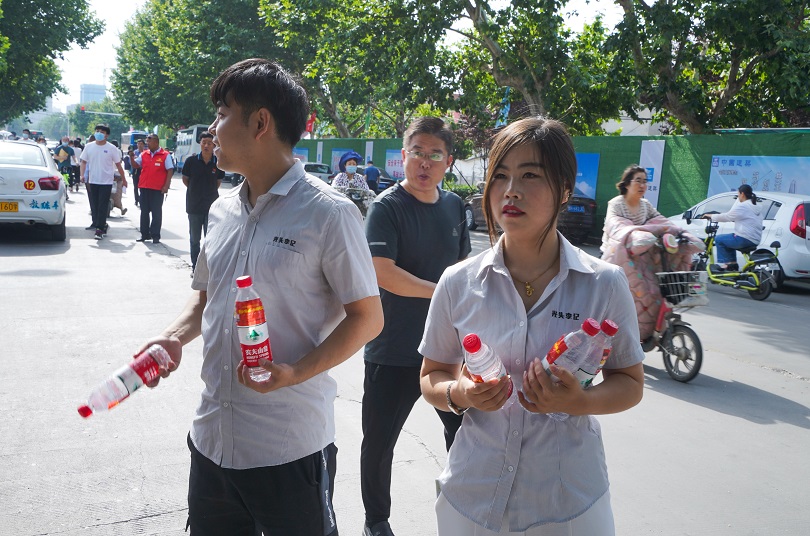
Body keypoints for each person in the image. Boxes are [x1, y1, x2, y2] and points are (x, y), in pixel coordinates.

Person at [136, 58, 383, 536]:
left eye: (221, 114)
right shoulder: (222, 210)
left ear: (260, 123)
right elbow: (204, 298)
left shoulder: (329, 214)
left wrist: (294, 372)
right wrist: (171, 338)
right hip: (212, 440)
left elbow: (368, 318)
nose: (212, 129)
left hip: (287, 447)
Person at [418, 117, 645, 536]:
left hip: (566, 504)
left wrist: (579, 401)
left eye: (530, 175)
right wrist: (461, 393)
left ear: (564, 190)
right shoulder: (457, 282)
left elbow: (630, 383)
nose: (511, 190)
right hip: (472, 496)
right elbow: (431, 376)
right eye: (500, 176)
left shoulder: (604, 284)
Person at [361, 116, 470, 536]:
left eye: (435, 155)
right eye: (417, 153)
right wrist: (442, 292)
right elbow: (383, 272)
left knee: (465, 435)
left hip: (448, 351)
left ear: (449, 162)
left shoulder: (455, 206)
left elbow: (463, 269)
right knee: (379, 442)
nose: (425, 162)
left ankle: (462, 508)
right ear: (403, 156)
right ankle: (377, 521)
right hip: (394, 346)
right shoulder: (386, 207)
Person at [182, 131, 224, 274]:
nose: (206, 145)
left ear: (214, 145)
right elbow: (185, 180)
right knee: (194, 239)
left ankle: (208, 269)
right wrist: (196, 191)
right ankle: (195, 267)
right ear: (200, 144)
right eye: (204, 142)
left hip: (212, 207)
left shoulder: (217, 162)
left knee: (210, 239)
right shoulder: (191, 161)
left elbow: (218, 182)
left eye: (209, 143)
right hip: (194, 206)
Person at [599, 164, 662, 254]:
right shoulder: (615, 204)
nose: (642, 185)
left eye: (645, 182)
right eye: (638, 181)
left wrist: (674, 230)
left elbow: (661, 221)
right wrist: (641, 234)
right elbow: (615, 228)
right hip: (612, 254)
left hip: (636, 255)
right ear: (627, 184)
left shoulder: (646, 205)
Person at [79, 124, 127, 240]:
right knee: (95, 205)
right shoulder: (89, 147)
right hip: (93, 180)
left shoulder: (111, 148)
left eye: (102, 132)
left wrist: (124, 179)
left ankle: (99, 230)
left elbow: (118, 165)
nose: (99, 133)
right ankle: (102, 224)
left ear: (107, 135)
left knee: (102, 205)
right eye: (97, 131)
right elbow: (83, 162)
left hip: (106, 181)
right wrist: (82, 175)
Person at [701, 183, 763, 271]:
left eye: (738, 194)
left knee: (719, 239)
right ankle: (732, 265)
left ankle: (727, 264)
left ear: (742, 194)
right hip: (754, 239)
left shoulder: (743, 206)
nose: (738, 197)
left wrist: (710, 216)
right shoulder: (755, 207)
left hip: (744, 238)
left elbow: (728, 216)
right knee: (729, 238)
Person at [132, 133, 174, 243]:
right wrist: (131, 158)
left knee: (156, 213)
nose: (147, 143)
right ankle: (144, 234)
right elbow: (136, 165)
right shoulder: (144, 154)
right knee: (144, 212)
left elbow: (170, 170)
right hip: (144, 187)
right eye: (147, 141)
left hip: (157, 189)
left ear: (156, 142)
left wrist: (166, 186)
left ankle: (155, 235)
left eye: (149, 141)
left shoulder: (165, 155)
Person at [109, 140, 128, 216]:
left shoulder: (108, 149)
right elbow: (119, 163)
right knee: (118, 193)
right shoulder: (118, 151)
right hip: (117, 174)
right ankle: (121, 207)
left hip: (109, 174)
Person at [128, 138, 146, 206]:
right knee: (136, 186)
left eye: (141, 144)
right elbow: (130, 162)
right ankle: (136, 199)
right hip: (136, 171)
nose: (140, 145)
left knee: (142, 187)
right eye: (138, 144)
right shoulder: (134, 152)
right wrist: (133, 159)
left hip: (143, 171)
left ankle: (142, 199)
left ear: (143, 145)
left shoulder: (146, 152)